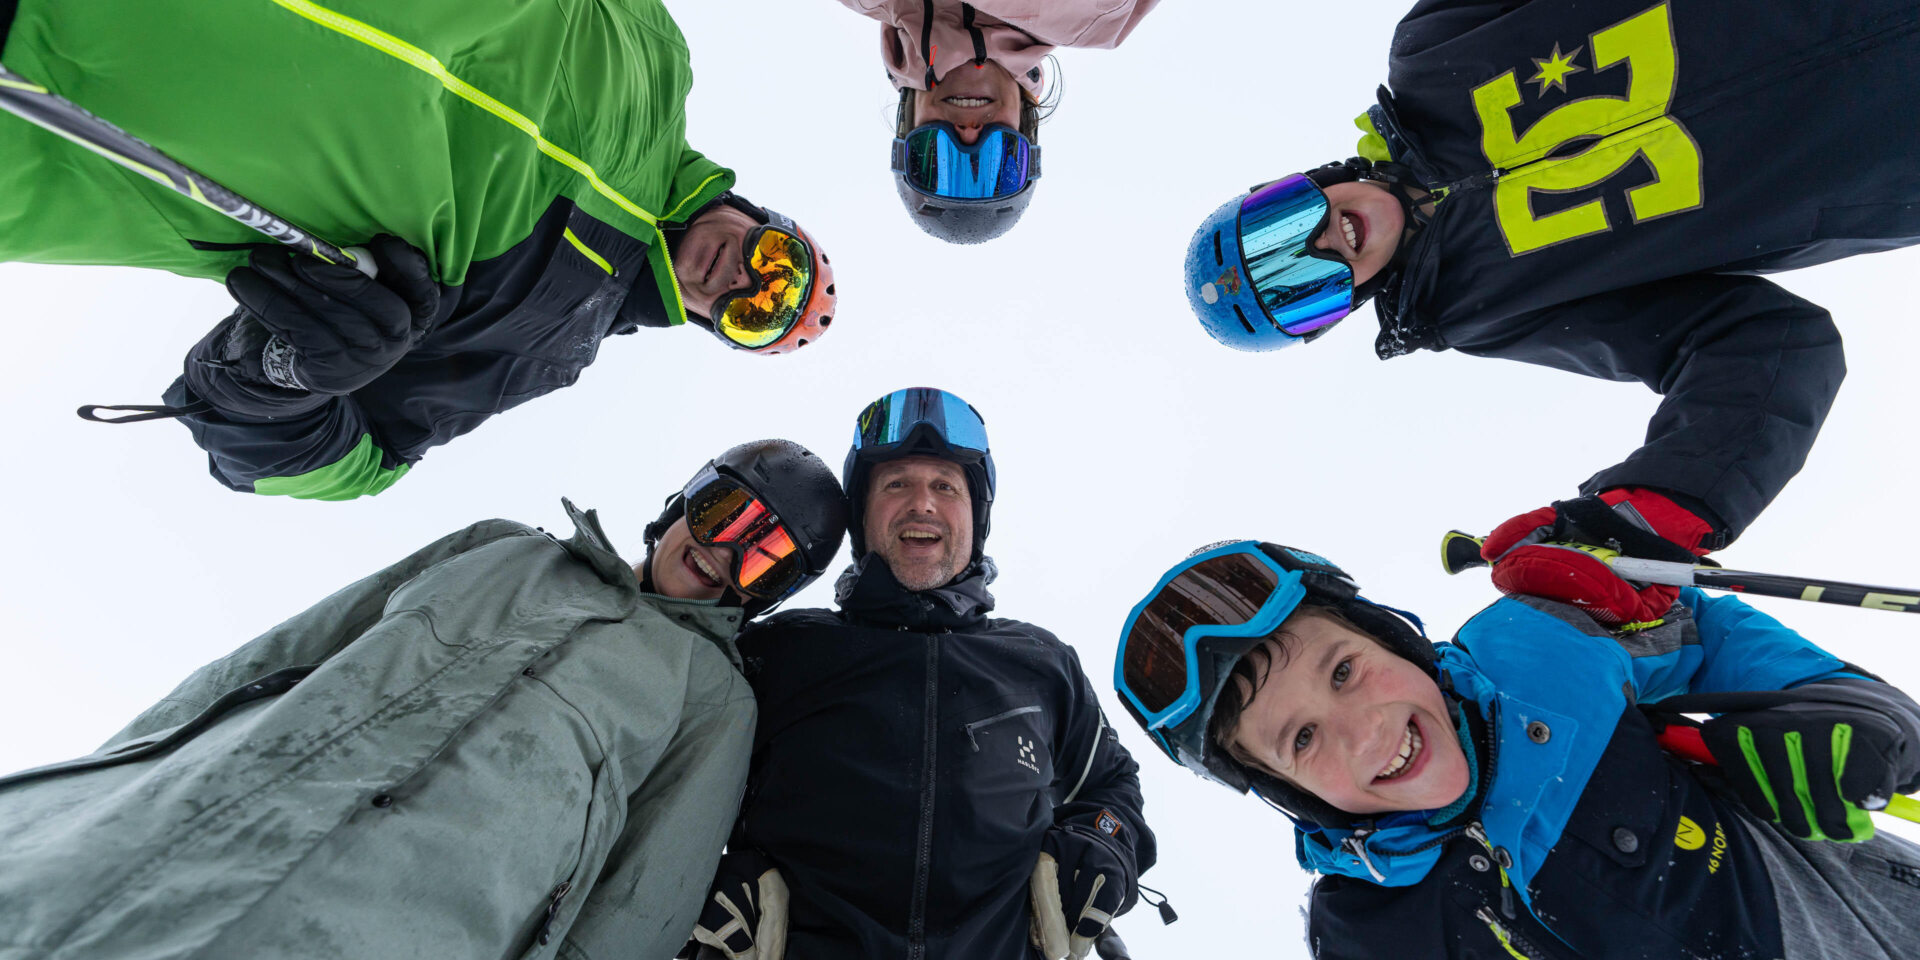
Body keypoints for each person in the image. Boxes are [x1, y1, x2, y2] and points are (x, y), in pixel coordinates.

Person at [1181, 0, 1920, 624]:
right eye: (1300, 286)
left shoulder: (1437, 51)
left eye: (1280, 229)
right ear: (1335, 315)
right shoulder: (1486, 305)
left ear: (1293, 181)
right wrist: (1654, 510)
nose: (1324, 245)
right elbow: (1765, 345)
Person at [0, 440, 848, 959]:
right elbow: (281, 656)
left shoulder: (710, 697)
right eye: (724, 511)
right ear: (681, 501)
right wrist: (129, 762)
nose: (722, 551)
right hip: (179, 817)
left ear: (769, 592)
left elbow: (641, 905)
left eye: (763, 552)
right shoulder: (505, 551)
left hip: (413, 917)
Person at [0, 0, 835, 500]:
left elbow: (340, 462)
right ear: (772, 221)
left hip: (46, 112)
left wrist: (279, 375)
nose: (740, 286)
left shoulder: (546, 345)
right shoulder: (660, 57)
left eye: (752, 317)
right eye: (776, 270)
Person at [1115, 540, 1920, 958]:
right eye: (1301, 738)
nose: (1365, 729)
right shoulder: (1370, 933)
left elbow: (1702, 632)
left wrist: (1848, 702)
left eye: (1346, 670)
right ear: (1283, 789)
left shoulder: (1533, 657)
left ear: (1395, 639)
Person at [686, 387, 1157, 960]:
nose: (922, 504)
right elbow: (670, 767)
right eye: (896, 484)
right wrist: (700, 868)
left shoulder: (1041, 661)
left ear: (975, 516)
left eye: (945, 487)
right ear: (863, 517)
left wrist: (1100, 844)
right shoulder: (779, 649)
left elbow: (1112, 789)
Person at [842, 0, 1161, 243]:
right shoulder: (1102, 14)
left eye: (938, 154)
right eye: (998, 154)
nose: (969, 134)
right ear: (1026, 123)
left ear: (907, 121)